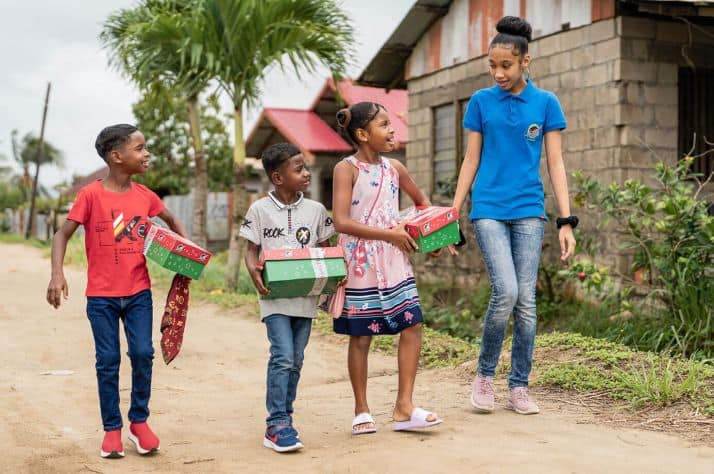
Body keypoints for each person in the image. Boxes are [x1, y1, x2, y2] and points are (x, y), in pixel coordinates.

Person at [452, 16, 577, 415]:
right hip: (487, 208)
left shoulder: (546, 103)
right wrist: (451, 214)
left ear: (526, 60)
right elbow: (470, 159)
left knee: (526, 302)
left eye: (505, 65)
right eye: (492, 66)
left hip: (528, 211)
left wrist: (565, 220)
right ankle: (485, 375)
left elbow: (555, 163)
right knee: (506, 291)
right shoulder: (480, 102)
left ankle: (519, 385)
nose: (498, 73)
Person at [47, 124, 188, 458]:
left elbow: (172, 221)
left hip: (138, 292)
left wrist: (187, 252)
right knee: (107, 361)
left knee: (142, 354)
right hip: (101, 297)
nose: (146, 153)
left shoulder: (146, 196)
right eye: (139, 148)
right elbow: (61, 234)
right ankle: (112, 429)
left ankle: (139, 423)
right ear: (117, 156)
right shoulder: (90, 195)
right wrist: (57, 274)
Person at [332, 101, 443, 435]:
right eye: (384, 124)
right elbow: (341, 221)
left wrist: (431, 237)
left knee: (413, 324)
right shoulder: (345, 169)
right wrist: (390, 234)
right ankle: (361, 409)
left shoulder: (395, 168)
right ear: (363, 134)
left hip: (395, 260)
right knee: (361, 335)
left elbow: (422, 204)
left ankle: (404, 407)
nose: (392, 129)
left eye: (390, 123)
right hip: (360, 261)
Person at [240, 142, 335, 453]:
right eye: (299, 169)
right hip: (275, 298)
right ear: (278, 177)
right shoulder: (259, 210)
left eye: (305, 167)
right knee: (282, 355)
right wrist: (254, 272)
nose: (306, 174)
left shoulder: (317, 210)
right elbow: (251, 251)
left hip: (305, 299)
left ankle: (286, 419)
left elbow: (326, 249)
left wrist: (336, 276)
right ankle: (277, 423)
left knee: (296, 359)